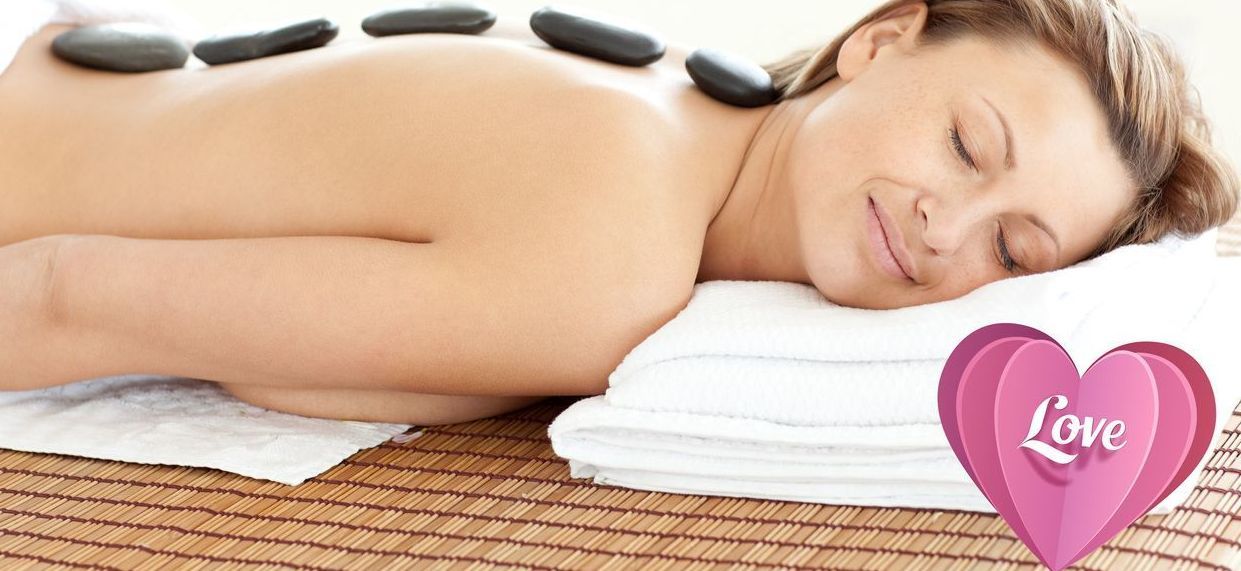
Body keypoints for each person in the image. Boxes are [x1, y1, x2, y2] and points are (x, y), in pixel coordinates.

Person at [0, 0, 1236, 425]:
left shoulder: (680, 100)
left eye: (1012, 252)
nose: (943, 228)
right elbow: (61, 294)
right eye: (966, 146)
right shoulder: (609, 257)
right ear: (879, 39)